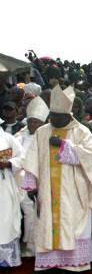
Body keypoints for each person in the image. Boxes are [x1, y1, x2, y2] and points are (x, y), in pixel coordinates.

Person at [22, 85, 92, 274]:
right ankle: (44, 266)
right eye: (52, 115)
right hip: (48, 190)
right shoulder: (42, 132)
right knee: (46, 224)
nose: (54, 119)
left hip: (73, 190)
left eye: (58, 116)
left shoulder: (81, 131)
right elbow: (32, 157)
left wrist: (65, 146)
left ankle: (72, 267)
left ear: (68, 114)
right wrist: (32, 184)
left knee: (71, 225)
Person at [14, 97, 49, 257]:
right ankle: (17, 244)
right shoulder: (19, 136)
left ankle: (31, 247)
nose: (32, 125)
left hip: (36, 181)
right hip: (16, 181)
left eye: (36, 122)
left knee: (32, 215)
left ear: (42, 123)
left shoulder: (46, 136)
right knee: (15, 214)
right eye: (30, 121)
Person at [0, 119, 24, 273]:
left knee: (5, 221)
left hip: (4, 186)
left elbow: (23, 157)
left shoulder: (7, 139)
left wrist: (8, 164)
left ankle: (5, 261)